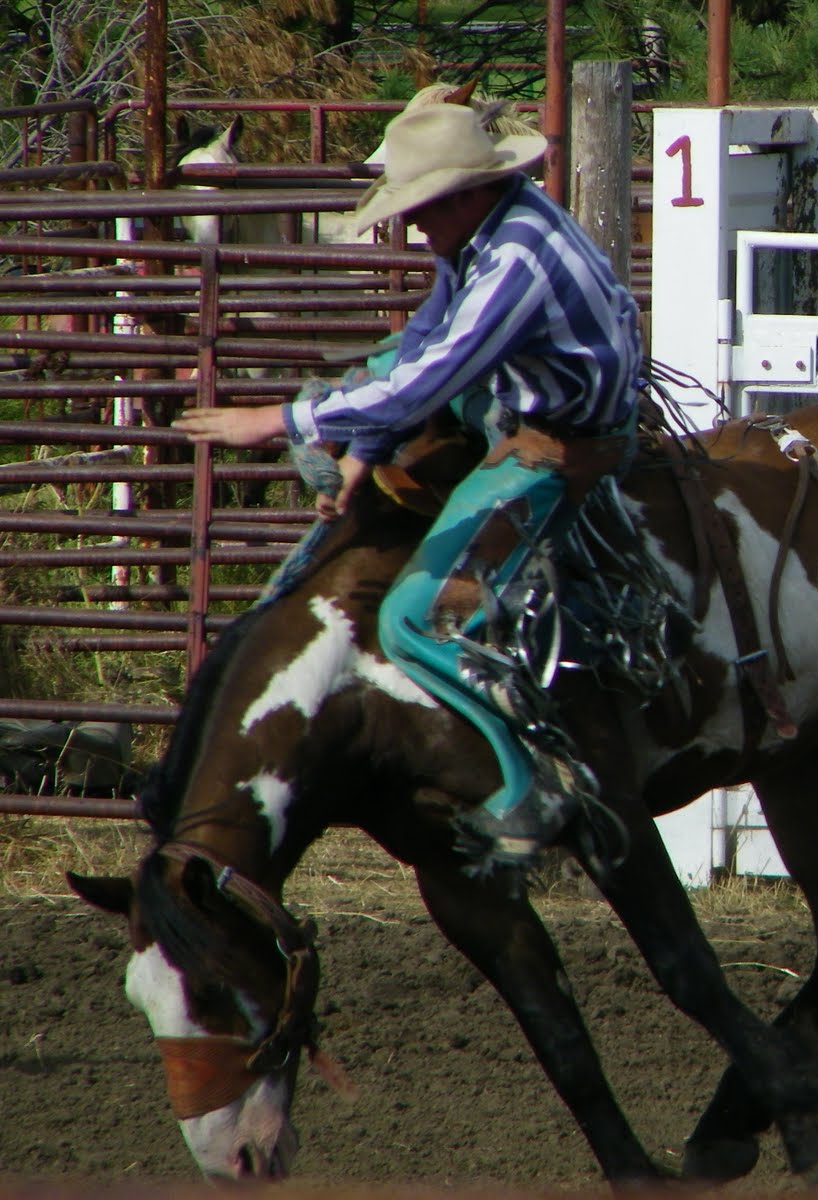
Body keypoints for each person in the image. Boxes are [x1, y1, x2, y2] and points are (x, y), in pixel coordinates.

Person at [174, 103, 645, 867]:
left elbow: (428, 379)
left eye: (422, 212)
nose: (417, 228)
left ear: (461, 195)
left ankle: (535, 782)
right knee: (394, 356)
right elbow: (425, 335)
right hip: (524, 405)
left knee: (413, 620)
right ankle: (353, 451)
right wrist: (364, 447)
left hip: (562, 447)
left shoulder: (513, 261)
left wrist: (278, 419)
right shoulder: (495, 226)